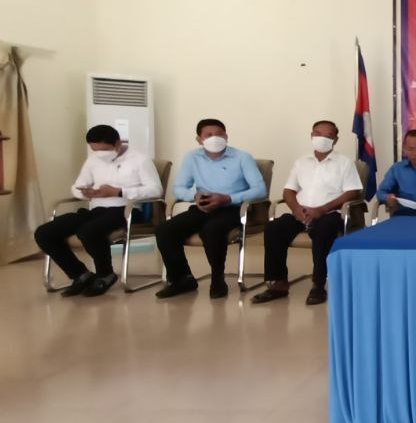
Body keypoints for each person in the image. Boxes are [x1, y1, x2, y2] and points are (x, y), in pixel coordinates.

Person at [33, 125, 162, 297]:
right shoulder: (92, 161)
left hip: (126, 210)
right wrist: (84, 193)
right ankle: (80, 274)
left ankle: (105, 274)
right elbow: (77, 186)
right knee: (44, 233)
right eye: (95, 150)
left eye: (104, 150)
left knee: (88, 230)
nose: (99, 154)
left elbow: (155, 189)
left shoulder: (139, 159)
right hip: (96, 209)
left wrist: (119, 192)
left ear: (118, 143)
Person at [252, 120, 362, 307]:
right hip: (300, 212)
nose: (322, 138)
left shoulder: (344, 163)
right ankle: (277, 284)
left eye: (328, 135)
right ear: (311, 136)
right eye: (318, 134)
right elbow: (288, 191)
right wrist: (296, 208)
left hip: (329, 213)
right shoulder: (301, 162)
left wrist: (322, 209)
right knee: (274, 228)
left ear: (335, 140)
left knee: (323, 230)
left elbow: (352, 192)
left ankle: (318, 285)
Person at [155, 118, 267, 299]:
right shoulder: (192, 157)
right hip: (203, 206)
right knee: (164, 230)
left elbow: (260, 190)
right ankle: (181, 279)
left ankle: (217, 279)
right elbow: (179, 188)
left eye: (219, 134)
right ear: (199, 139)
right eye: (208, 135)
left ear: (226, 137)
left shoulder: (242, 157)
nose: (215, 138)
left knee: (211, 229)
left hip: (233, 208)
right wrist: (195, 196)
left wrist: (228, 198)